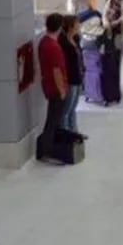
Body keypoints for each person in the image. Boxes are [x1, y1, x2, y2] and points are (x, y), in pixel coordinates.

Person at [38, 13, 68, 163]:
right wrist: (62, 90)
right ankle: (47, 151)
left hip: (47, 85)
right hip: (55, 89)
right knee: (53, 120)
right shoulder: (54, 47)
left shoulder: (43, 42)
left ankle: (46, 148)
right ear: (60, 27)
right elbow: (56, 71)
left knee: (52, 118)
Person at [58, 15, 83, 135]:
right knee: (66, 111)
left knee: (73, 109)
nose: (79, 25)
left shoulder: (76, 39)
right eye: (77, 23)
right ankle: (66, 135)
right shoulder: (63, 43)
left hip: (78, 78)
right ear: (70, 26)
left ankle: (74, 133)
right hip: (70, 80)